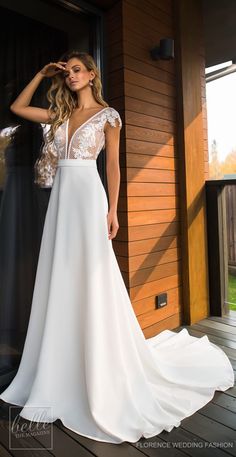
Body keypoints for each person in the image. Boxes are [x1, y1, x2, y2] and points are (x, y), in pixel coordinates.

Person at [0, 51, 234, 445]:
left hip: (89, 198)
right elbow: (17, 107)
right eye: (68, 71)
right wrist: (42, 74)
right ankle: (59, 364)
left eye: (78, 70)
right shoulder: (58, 115)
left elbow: (113, 167)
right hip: (61, 202)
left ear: (92, 75)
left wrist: (113, 210)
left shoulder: (108, 116)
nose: (72, 76)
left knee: (92, 276)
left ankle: (99, 364)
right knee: (61, 275)